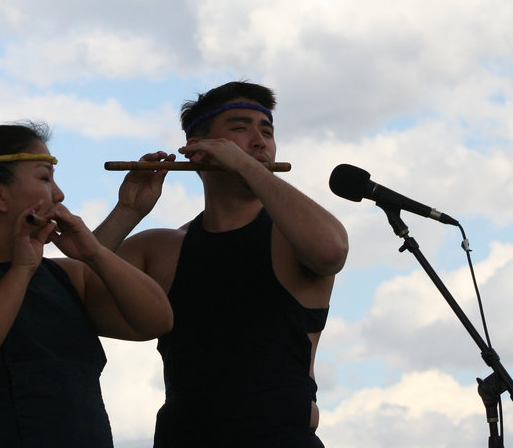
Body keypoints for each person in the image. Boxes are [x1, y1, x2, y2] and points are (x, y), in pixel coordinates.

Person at [94, 81, 349, 447]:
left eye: (267, 131)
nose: (260, 141)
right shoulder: (162, 247)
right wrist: (128, 211)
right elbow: (66, 295)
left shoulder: (293, 237)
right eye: (240, 128)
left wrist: (247, 165)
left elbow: (330, 250)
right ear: (199, 150)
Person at [0, 122, 173, 447]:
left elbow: (157, 320)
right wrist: (20, 270)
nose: (59, 194)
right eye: (45, 177)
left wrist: (95, 253)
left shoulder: (66, 276)